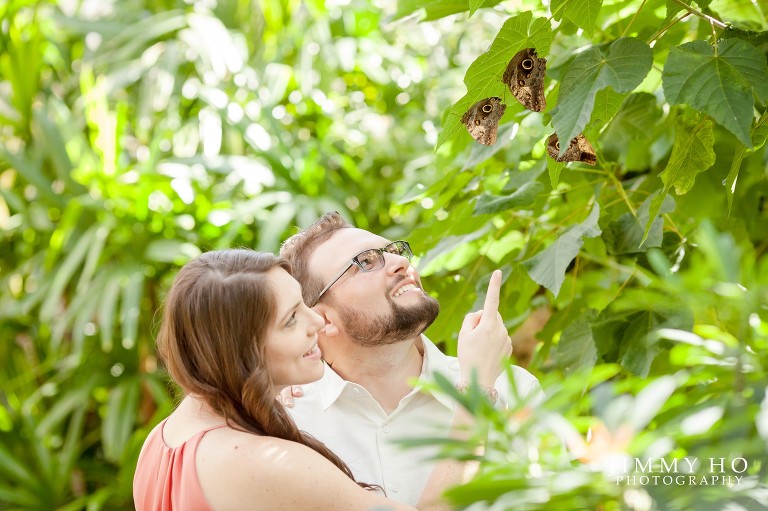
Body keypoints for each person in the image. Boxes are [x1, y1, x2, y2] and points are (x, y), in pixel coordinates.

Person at [133, 249, 511, 511]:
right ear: (244, 354)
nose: (317, 322)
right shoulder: (267, 464)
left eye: (303, 303)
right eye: (292, 319)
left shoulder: (165, 441)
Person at [279, 212, 542, 506]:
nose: (401, 262)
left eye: (394, 251)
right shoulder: (287, 422)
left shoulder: (513, 390)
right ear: (321, 319)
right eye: (365, 262)